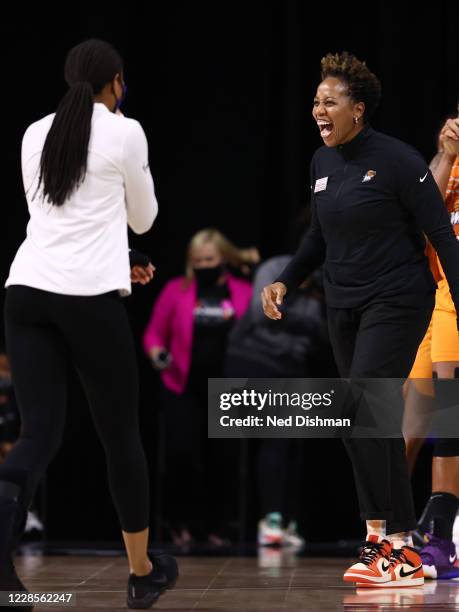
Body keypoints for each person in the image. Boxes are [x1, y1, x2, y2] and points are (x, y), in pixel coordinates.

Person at [261, 51, 459, 588]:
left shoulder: (397, 161)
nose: (318, 110)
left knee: (364, 406)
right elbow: (317, 239)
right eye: (315, 101)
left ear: (359, 109)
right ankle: (389, 544)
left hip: (398, 299)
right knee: (359, 423)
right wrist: (286, 280)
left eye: (331, 102)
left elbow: (441, 234)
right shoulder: (320, 164)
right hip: (344, 304)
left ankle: (399, 545)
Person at [0, 39, 177, 610]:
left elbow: (56, 218)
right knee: (120, 435)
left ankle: (3, 571)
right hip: (87, 299)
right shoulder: (125, 131)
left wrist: (117, 255)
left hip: (26, 290)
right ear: (116, 81)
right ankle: (141, 573)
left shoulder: (33, 132)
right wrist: (122, 249)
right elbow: (143, 217)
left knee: (36, 435)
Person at [143, 228, 252, 547]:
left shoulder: (243, 291)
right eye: (198, 260)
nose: (204, 265)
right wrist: (158, 354)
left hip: (230, 391)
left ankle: (221, 526)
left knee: (224, 461)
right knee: (182, 457)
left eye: (210, 259)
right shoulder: (176, 290)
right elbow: (153, 334)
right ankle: (181, 525)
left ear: (224, 259)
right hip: (183, 386)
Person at [225, 256, 331, 548]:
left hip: (292, 368)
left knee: (294, 442)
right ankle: (271, 520)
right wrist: (299, 314)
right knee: (276, 438)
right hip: (254, 361)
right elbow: (262, 314)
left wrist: (304, 310)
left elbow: (321, 333)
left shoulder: (321, 281)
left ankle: (289, 521)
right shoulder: (275, 269)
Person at [404, 111, 459, 579]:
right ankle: (390, 536)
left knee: (448, 411)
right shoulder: (448, 163)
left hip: (454, 302)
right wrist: (445, 154)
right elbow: (420, 222)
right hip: (430, 300)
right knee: (404, 425)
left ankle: (441, 536)